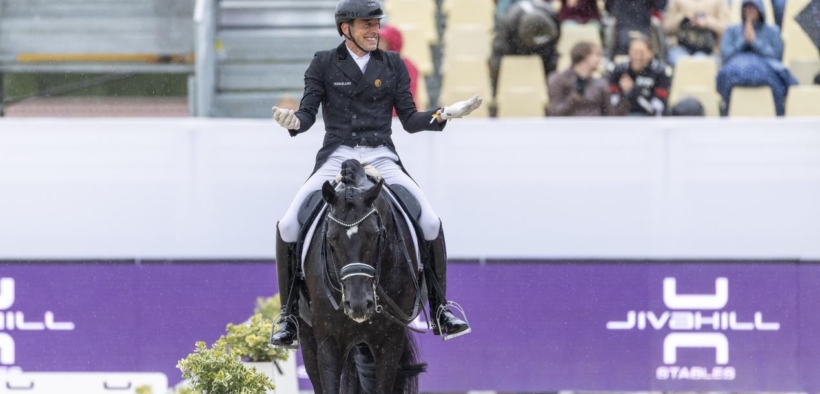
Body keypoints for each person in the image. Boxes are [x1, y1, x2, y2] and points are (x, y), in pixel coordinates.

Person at [269, 0, 482, 349]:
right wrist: (294, 121)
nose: (374, 31)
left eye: (376, 23)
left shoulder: (392, 63)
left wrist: (444, 114)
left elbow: (411, 121)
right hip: (336, 155)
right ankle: (289, 315)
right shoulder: (323, 62)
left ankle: (441, 308)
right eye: (366, 24)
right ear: (345, 28)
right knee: (289, 224)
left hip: (381, 156)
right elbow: (307, 114)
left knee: (429, 222)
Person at [716, 0, 797, 116]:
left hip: (765, 68)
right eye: (747, 8)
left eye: (753, 8)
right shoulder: (731, 31)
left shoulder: (772, 31)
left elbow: (776, 56)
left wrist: (755, 42)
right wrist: (743, 41)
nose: (749, 12)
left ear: (760, 10)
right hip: (736, 68)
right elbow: (726, 55)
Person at [490, 0, 560, 98]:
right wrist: (495, 90)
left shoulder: (551, 16)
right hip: (515, 49)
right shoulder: (508, 23)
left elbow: (554, 45)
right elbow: (497, 55)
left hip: (545, 50)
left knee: (552, 62)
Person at [607, 35, 673, 116]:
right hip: (623, 117)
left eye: (641, 53)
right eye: (634, 52)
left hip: (649, 119)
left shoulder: (661, 72)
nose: (637, 57)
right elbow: (610, 103)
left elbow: (659, 107)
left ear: (650, 53)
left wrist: (633, 91)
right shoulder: (619, 70)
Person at [547, 41, 612, 116]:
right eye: (597, 55)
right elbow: (554, 112)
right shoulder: (559, 80)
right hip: (568, 126)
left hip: (595, 126)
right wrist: (573, 99)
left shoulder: (600, 83)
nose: (599, 59)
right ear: (584, 56)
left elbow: (609, 113)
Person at [662, 0, 730, 65]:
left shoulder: (719, 1)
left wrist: (707, 22)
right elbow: (666, 28)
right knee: (681, 62)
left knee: (700, 62)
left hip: (709, 49)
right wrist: (683, 17)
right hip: (680, 46)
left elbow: (727, 30)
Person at [377, 24, 420, 115]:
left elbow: (407, 97)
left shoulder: (406, 66)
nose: (377, 44)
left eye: (381, 40)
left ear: (391, 43)